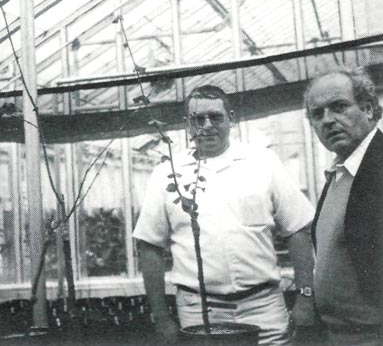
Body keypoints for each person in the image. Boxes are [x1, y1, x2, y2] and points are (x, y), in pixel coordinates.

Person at [133, 85, 316, 345]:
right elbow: (149, 245)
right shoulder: (167, 173)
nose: (206, 125)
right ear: (187, 125)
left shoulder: (263, 161)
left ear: (231, 118)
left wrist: (305, 296)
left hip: (264, 306)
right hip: (199, 310)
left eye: (215, 117)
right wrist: (160, 316)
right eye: (197, 119)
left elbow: (297, 229)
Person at [304, 68, 383, 346]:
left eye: (339, 107)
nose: (328, 120)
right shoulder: (341, 172)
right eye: (318, 114)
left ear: (369, 109)